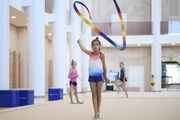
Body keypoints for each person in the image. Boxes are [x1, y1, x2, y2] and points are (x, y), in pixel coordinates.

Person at [77, 37, 110, 119]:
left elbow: (104, 67)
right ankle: (95, 111)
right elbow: (83, 49)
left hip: (99, 76)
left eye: (97, 45)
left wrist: (105, 77)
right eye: (93, 45)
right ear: (92, 46)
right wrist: (79, 42)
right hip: (91, 77)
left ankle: (98, 110)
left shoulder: (101, 55)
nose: (95, 46)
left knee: (99, 94)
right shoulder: (90, 53)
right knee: (93, 94)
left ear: (99, 46)